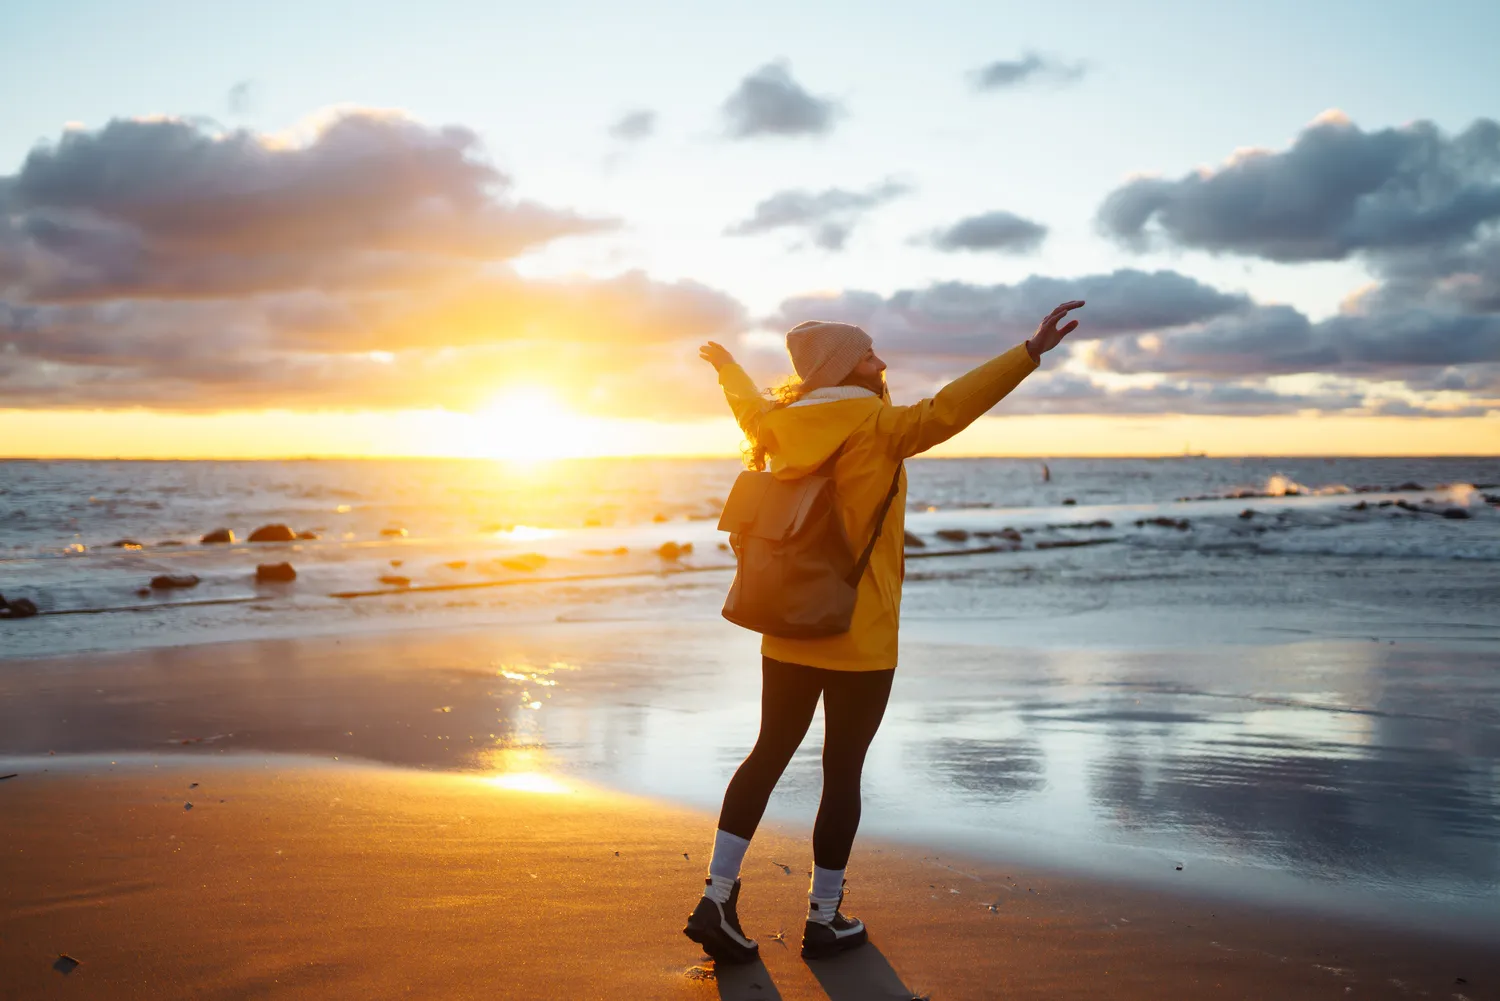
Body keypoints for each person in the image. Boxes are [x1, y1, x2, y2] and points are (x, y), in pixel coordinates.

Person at [683, 300, 1085, 963]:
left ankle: (716, 896)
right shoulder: (881, 426)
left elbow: (747, 408)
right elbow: (954, 405)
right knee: (842, 773)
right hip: (859, 634)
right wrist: (1028, 351)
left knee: (766, 752)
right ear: (846, 365)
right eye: (870, 353)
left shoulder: (777, 425)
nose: (884, 362)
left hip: (785, 626)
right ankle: (823, 917)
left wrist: (728, 368)